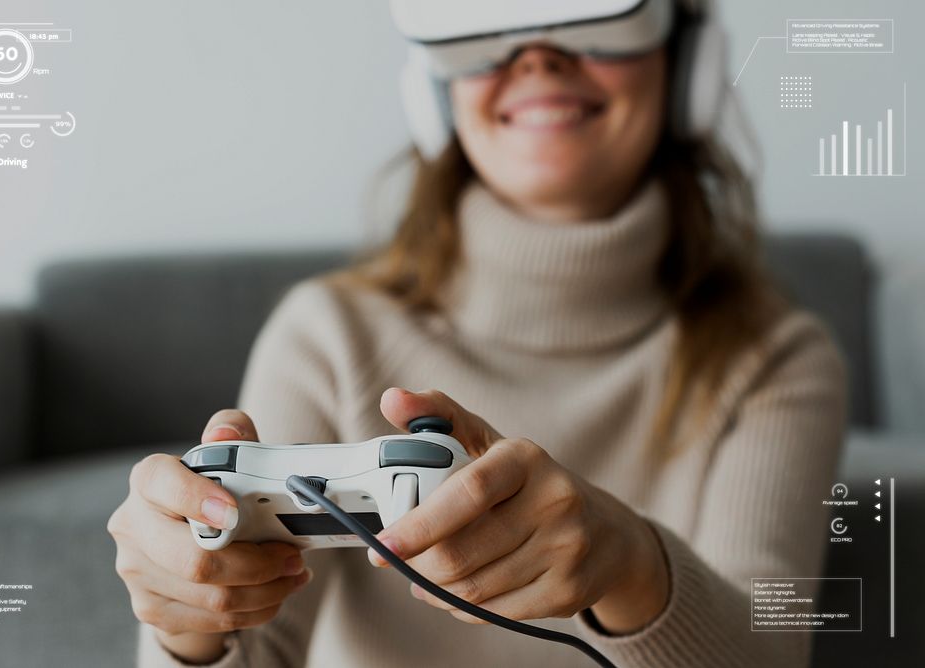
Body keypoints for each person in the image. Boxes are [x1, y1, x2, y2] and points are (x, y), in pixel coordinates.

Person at [107, 3, 846, 666]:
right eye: (490, 16)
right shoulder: (326, 334)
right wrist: (189, 627)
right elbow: (241, 633)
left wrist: (631, 565)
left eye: (589, 14)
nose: (537, 54)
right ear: (436, 89)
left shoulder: (775, 362)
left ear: (688, 61)